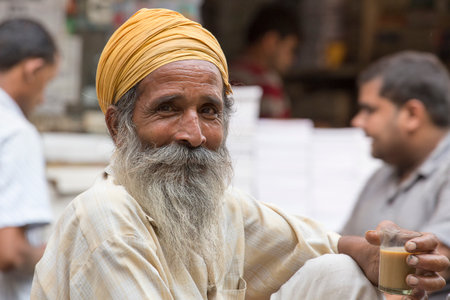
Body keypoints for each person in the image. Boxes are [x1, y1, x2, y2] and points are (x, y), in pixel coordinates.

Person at [31, 9, 448, 299]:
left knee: (343, 276)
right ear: (116, 126)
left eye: (208, 111)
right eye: (167, 109)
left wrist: (380, 256)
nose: (193, 134)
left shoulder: (215, 210)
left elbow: (320, 244)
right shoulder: (107, 219)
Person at [341, 51, 450, 299]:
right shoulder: (381, 176)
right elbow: (336, 244)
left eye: (370, 110)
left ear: (412, 114)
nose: (358, 121)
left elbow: (430, 259)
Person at [0, 18, 59, 300]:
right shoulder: (16, 133)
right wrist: (52, 257)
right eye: (46, 83)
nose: (42, 99)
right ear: (32, 69)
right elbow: (8, 252)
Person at [229, 3, 300, 118]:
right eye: (291, 50)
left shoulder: (226, 71)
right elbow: (279, 129)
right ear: (271, 42)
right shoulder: (267, 82)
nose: (293, 59)